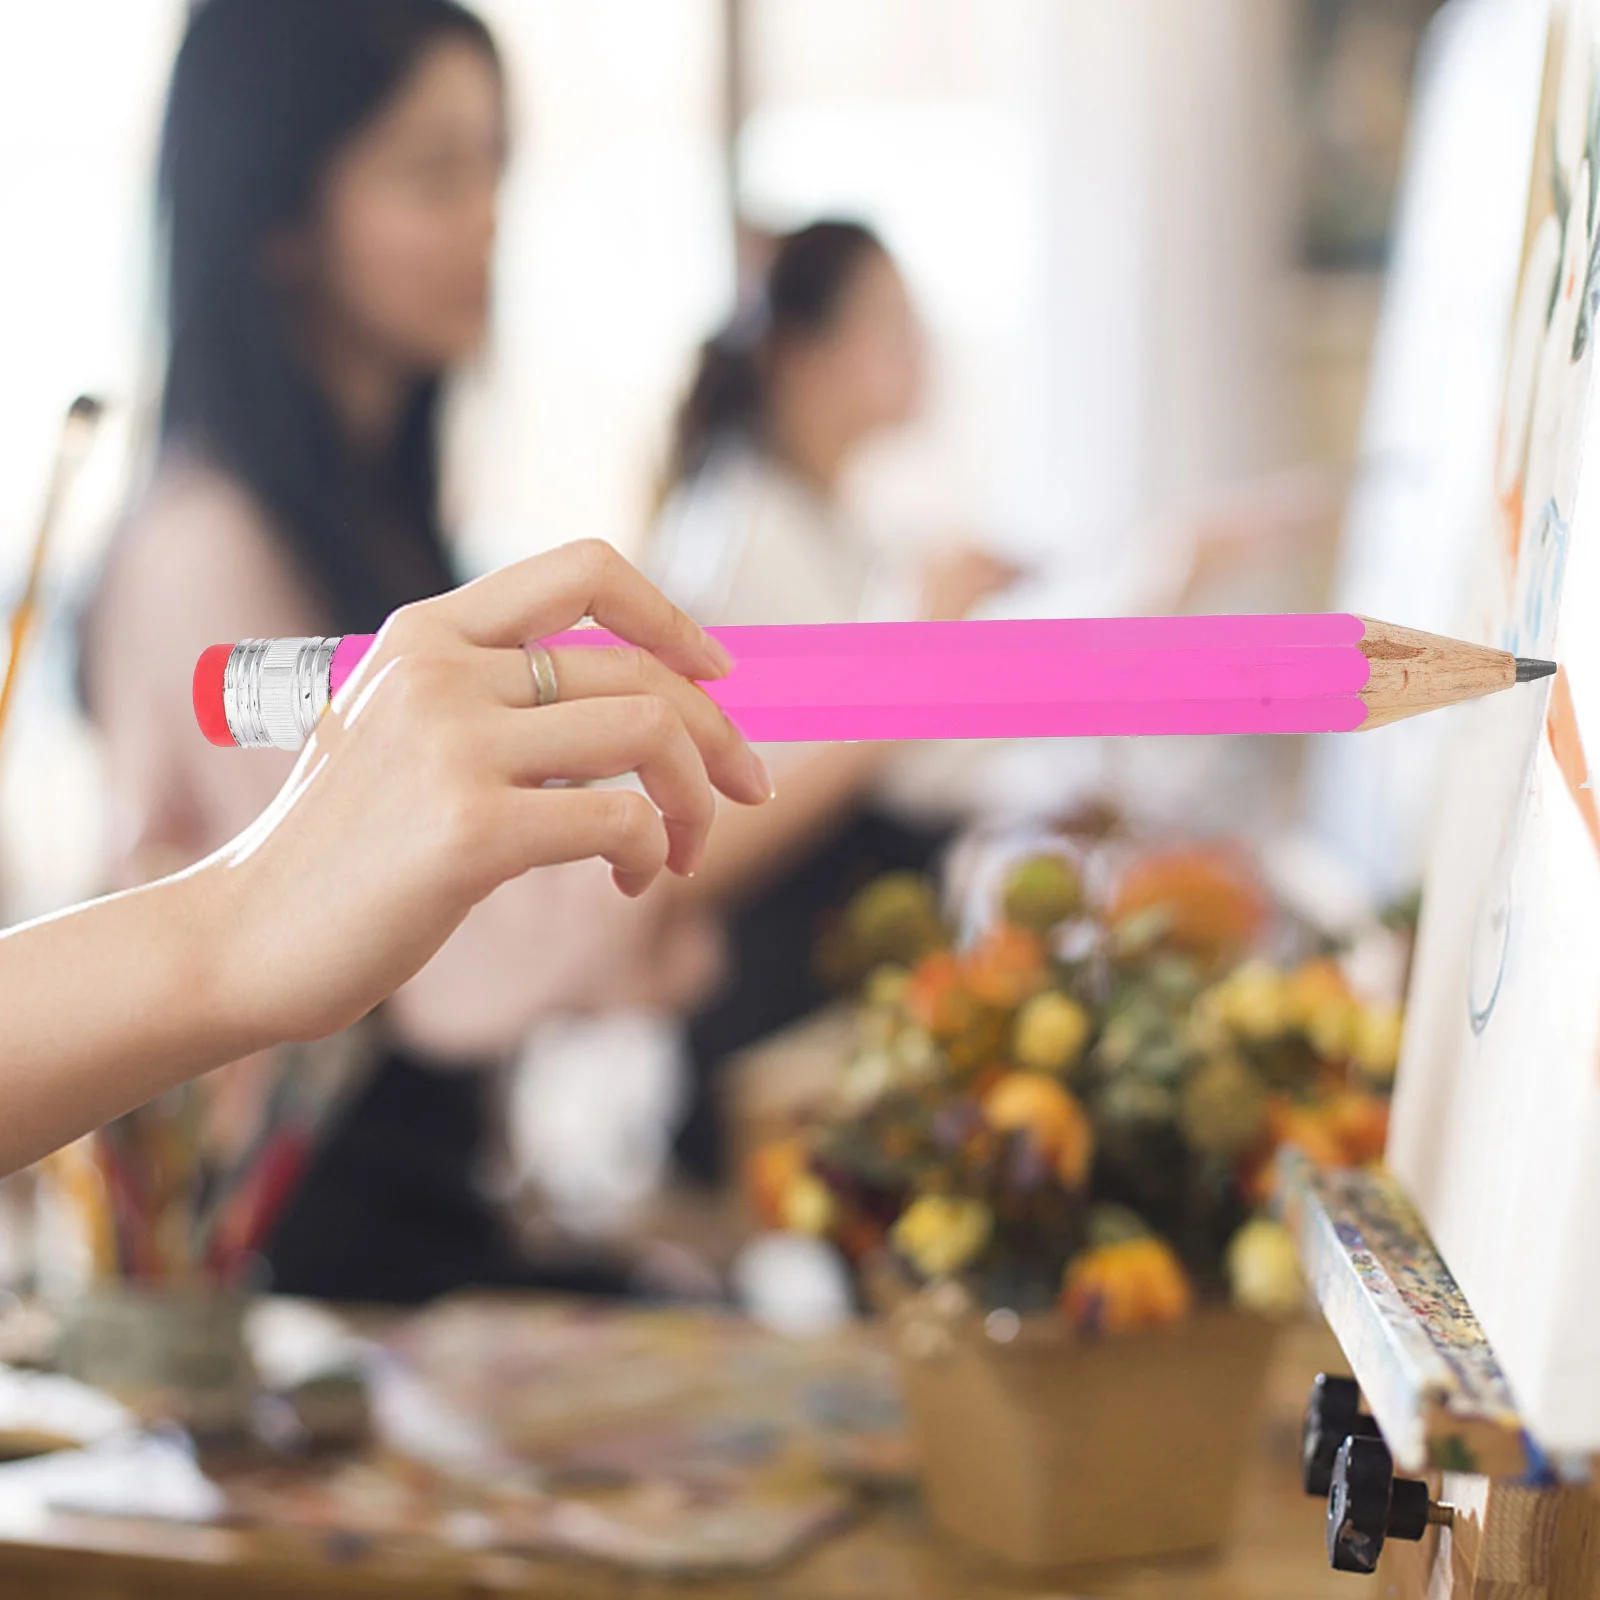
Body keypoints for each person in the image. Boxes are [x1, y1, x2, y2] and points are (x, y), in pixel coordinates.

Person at [82, 0, 721, 1301]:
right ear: (279, 220)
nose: (487, 217)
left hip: (409, 1226)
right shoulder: (204, 546)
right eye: (434, 174)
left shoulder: (384, 522)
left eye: (494, 167)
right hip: (292, 1271)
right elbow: (457, 972)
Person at [9, 544, 769, 1181]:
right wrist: (243, 924)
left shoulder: (371, 514)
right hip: (325, 1187)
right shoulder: (198, 550)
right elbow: (459, 973)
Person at [643, 222, 1016, 1182]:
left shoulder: (825, 521)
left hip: (828, 1005)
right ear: (802, 356)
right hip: (766, 1032)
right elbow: (707, 837)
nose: (919, 350)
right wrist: (920, 658)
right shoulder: (741, 534)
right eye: (890, 323)